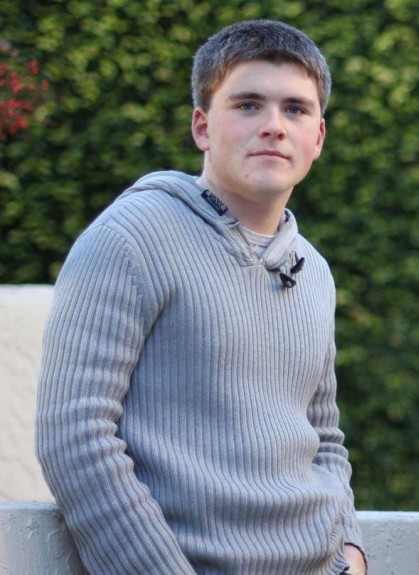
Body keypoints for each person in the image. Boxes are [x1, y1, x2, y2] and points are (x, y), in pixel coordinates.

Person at [35, 20, 366, 574]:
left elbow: (323, 436)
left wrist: (350, 550)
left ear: (319, 137)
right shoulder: (131, 238)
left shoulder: (314, 270)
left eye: (295, 109)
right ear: (202, 127)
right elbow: (75, 435)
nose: (274, 127)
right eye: (247, 105)